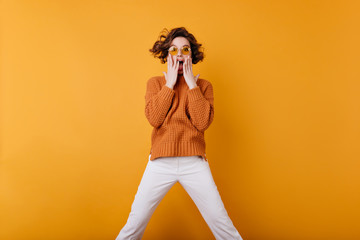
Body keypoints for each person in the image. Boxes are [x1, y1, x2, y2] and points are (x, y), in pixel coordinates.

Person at [115, 27, 243, 240]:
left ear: (191, 54)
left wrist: (192, 85)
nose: (180, 54)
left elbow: (202, 123)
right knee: (134, 224)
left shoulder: (203, 86)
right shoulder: (155, 83)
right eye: (174, 50)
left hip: (194, 163)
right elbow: (154, 119)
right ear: (167, 55)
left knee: (222, 224)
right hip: (160, 162)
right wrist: (169, 84)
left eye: (185, 49)